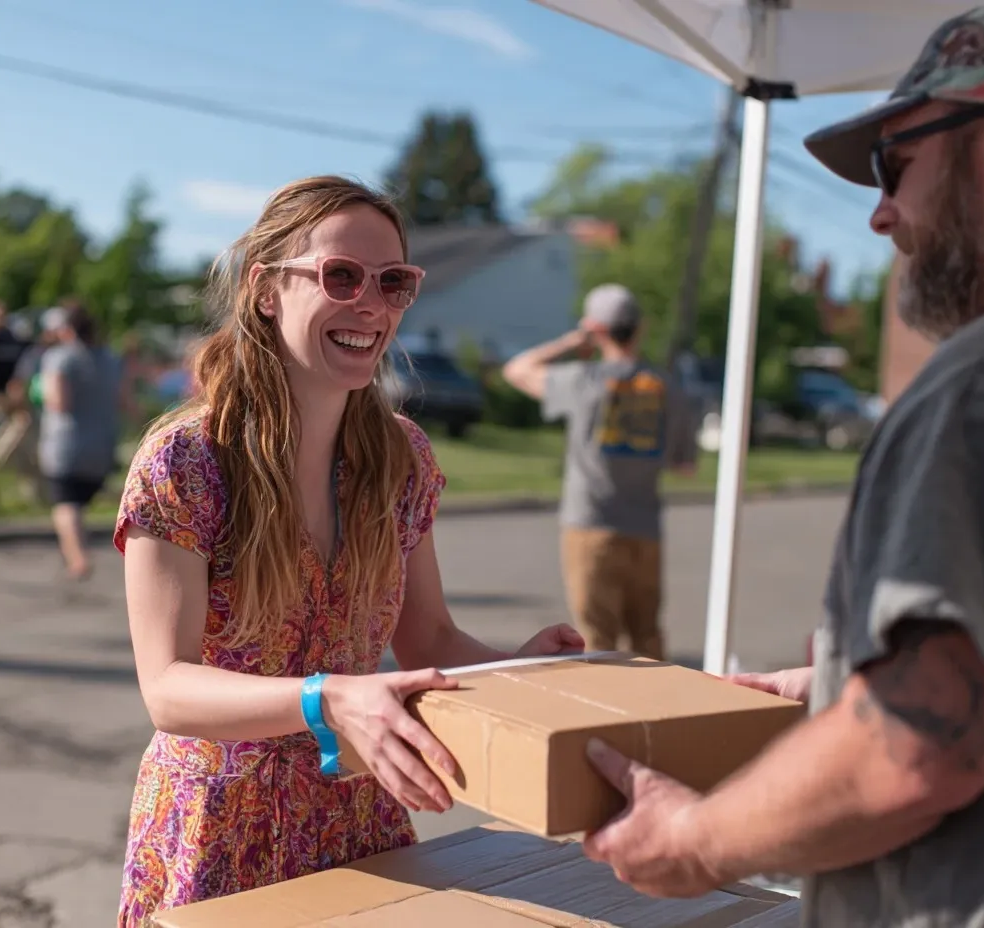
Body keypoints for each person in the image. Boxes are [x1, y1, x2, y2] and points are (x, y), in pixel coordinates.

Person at [577, 5, 984, 927]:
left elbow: (915, 748)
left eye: (895, 164)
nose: (879, 214)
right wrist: (846, 683)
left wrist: (694, 839)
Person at [114, 176, 584, 926]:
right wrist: (325, 698)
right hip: (218, 832)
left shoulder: (404, 460)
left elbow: (427, 637)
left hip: (356, 822)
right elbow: (167, 689)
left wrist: (518, 670)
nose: (373, 303)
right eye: (342, 277)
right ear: (267, 290)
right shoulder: (187, 460)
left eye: (395, 283)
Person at [502, 284, 696, 660]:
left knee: (596, 640)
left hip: (590, 525)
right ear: (640, 328)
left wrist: (572, 342)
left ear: (597, 329)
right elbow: (684, 466)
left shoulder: (582, 380)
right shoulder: (667, 388)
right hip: (645, 528)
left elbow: (517, 370)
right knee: (647, 639)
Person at [38, 302, 122, 580]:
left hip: (67, 443)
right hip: (102, 442)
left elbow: (58, 402)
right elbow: (124, 399)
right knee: (84, 499)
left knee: (66, 503)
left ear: (66, 329)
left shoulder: (60, 358)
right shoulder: (109, 358)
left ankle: (78, 558)